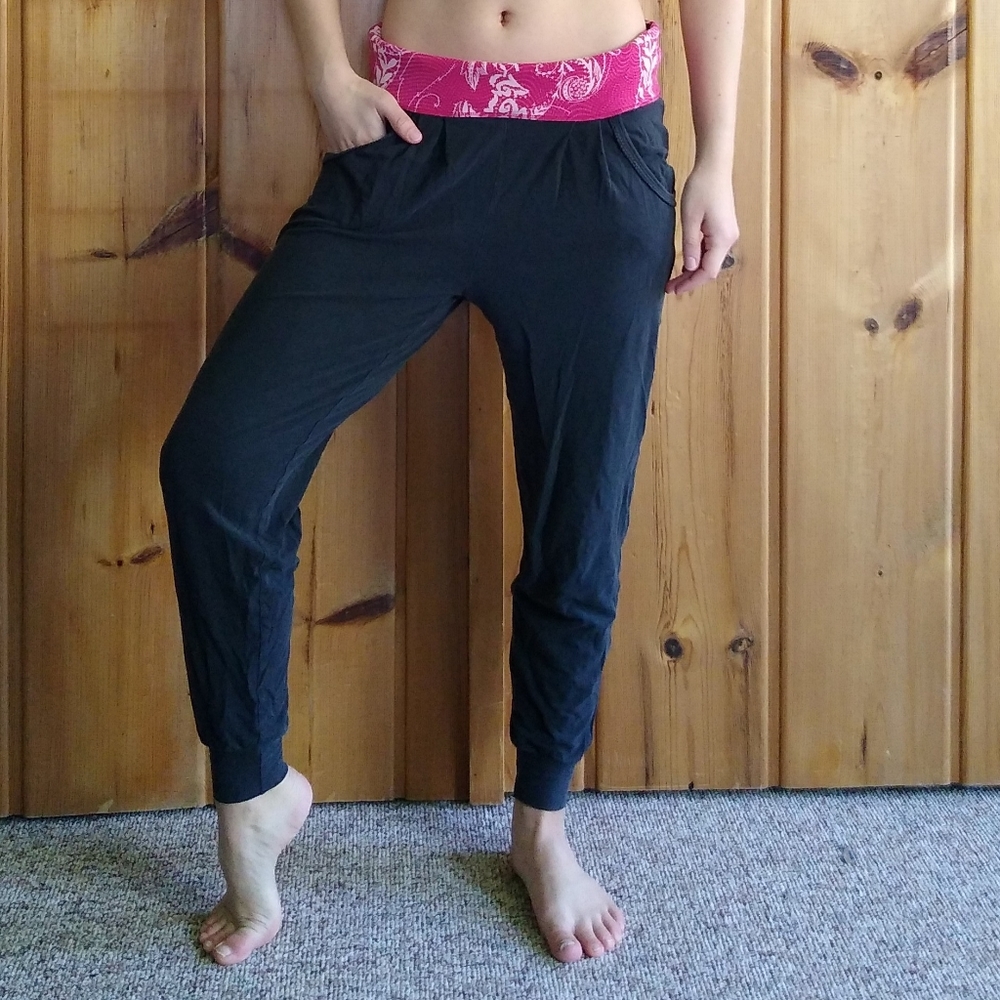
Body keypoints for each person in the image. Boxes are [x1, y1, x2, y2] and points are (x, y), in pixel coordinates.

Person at [158, 0, 743, 969]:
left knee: (580, 513)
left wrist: (716, 155)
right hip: (406, 144)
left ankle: (542, 823)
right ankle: (254, 789)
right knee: (219, 462)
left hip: (596, 155)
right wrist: (326, 76)